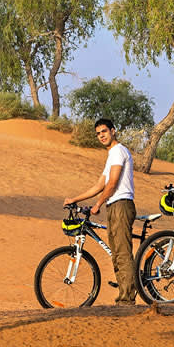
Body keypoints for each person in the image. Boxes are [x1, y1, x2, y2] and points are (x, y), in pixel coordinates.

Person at [63, 118, 137, 305]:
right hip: (113, 205)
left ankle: (127, 297)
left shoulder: (119, 151)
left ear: (113, 131)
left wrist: (98, 204)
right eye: (98, 133)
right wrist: (75, 199)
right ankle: (124, 292)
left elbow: (112, 183)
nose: (101, 136)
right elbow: (99, 184)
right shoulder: (111, 155)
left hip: (121, 204)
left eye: (104, 131)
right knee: (116, 251)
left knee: (122, 251)